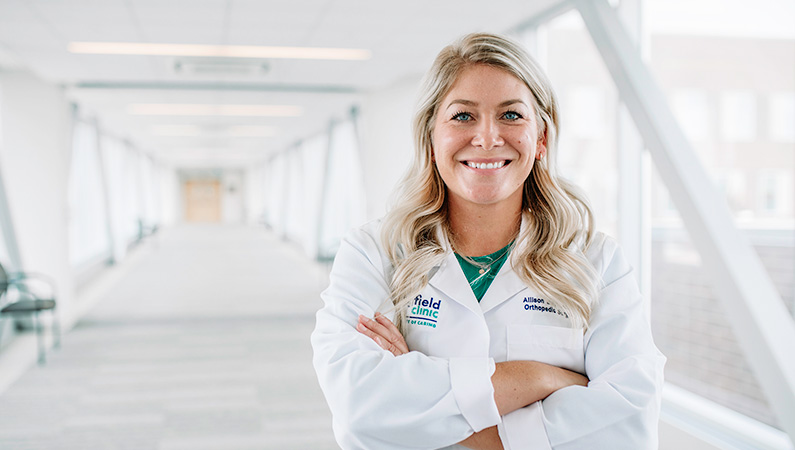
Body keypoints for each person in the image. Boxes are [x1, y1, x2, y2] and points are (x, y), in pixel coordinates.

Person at [311, 32, 665, 450]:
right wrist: (539, 378)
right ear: (430, 135)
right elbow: (359, 407)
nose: (487, 137)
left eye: (511, 115)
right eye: (463, 116)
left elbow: (628, 425)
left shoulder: (597, 261)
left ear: (542, 138)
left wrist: (424, 403)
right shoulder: (373, 253)